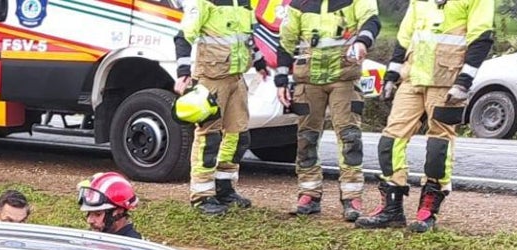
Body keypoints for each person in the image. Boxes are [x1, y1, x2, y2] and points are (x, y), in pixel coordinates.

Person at [356, 0, 494, 232]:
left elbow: (481, 38)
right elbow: (405, 36)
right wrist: (392, 75)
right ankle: (391, 209)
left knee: (439, 145)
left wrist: (464, 81)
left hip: (447, 81)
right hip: (412, 79)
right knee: (391, 140)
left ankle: (427, 210)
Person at [275, 0, 381, 221]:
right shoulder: (299, 4)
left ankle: (352, 196)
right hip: (308, 81)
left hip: (344, 78)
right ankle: (308, 194)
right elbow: (285, 42)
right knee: (306, 139)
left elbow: (372, 20)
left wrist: (362, 41)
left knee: (350, 137)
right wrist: (281, 79)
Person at [173, 0, 266, 216]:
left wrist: (260, 63)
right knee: (209, 138)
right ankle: (202, 195)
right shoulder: (204, 3)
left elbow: (248, 38)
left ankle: (224, 188)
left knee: (238, 137)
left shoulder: (243, 3)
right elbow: (183, 36)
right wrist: (183, 71)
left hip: (236, 78)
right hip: (211, 80)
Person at [77, 172, 142, 238]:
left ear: (119, 211)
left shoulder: (131, 245)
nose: (89, 220)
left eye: (98, 214)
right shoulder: (95, 238)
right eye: (89, 213)